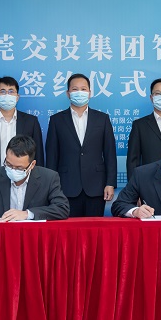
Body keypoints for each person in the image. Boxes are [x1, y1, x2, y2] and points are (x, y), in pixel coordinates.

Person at [45, 73, 117, 217]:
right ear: (68, 93)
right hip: (66, 187)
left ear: (89, 93)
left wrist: (110, 183)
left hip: (96, 187)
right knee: (69, 229)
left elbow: (110, 153)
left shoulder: (102, 119)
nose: (79, 92)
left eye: (83, 89)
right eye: (75, 89)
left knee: (95, 228)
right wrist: (52, 187)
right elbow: (52, 156)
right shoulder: (56, 120)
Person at [0, 135, 69, 221]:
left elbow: (62, 208)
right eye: (8, 164)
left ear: (32, 165)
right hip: (1, 235)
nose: (12, 170)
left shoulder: (49, 177)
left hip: (33, 236)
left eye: (19, 168)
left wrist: (27, 214)